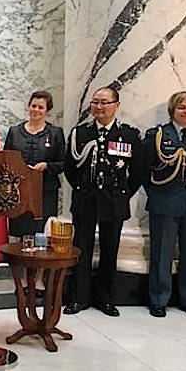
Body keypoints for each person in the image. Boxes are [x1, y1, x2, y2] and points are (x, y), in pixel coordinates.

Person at [64, 86, 143, 317]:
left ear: (116, 105)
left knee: (110, 251)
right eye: (95, 102)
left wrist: (123, 193)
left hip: (114, 200)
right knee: (81, 249)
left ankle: (105, 299)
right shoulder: (80, 133)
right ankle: (79, 298)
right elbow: (70, 168)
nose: (99, 107)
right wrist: (83, 189)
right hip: (86, 198)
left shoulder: (128, 135)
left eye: (104, 102)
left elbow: (138, 170)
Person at [143, 91, 186, 318]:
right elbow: (146, 170)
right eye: (182, 108)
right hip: (165, 201)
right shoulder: (159, 134)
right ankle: (159, 299)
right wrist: (156, 192)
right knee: (161, 254)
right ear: (173, 110)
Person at [3, 91, 65, 236]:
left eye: (40, 107)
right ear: (28, 106)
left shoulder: (55, 133)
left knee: (41, 232)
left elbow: (63, 162)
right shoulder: (14, 132)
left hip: (46, 192)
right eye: (33, 106)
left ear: (47, 111)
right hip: (19, 192)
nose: (36, 110)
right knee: (20, 232)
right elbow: (5, 159)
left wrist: (47, 166)